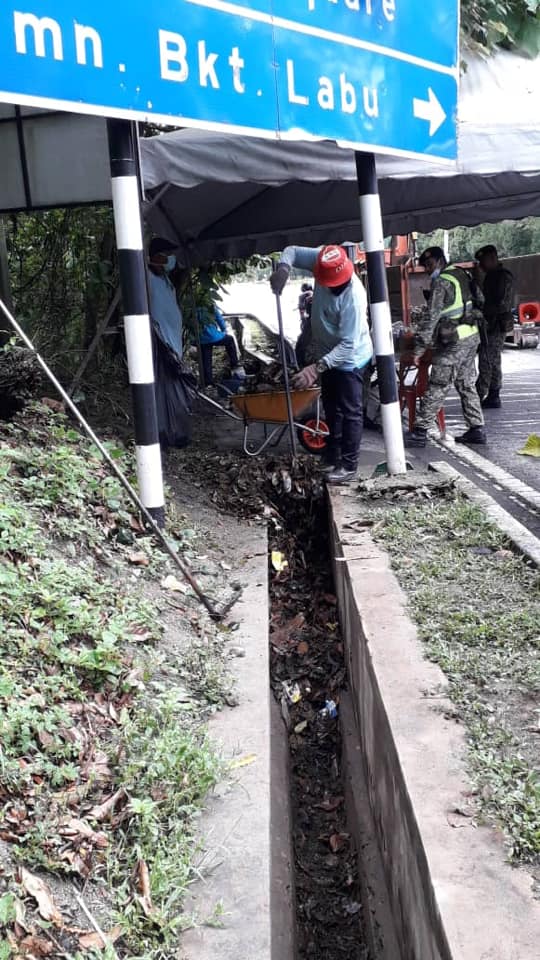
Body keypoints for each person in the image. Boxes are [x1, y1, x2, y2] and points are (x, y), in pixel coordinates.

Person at [271, 245, 372, 484]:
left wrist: (315, 368)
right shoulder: (321, 260)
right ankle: (331, 456)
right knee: (330, 407)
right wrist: (284, 268)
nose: (334, 288)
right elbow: (291, 250)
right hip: (327, 350)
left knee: (350, 412)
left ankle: (348, 465)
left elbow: (348, 345)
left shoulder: (353, 299)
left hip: (351, 359)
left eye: (337, 284)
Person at [406, 246, 486, 447]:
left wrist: (419, 349)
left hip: (454, 342)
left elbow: (431, 317)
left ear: (440, 261)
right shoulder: (462, 273)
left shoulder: (441, 282)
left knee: (438, 384)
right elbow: (481, 299)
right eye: (424, 266)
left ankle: (420, 432)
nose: (427, 269)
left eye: (429, 264)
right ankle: (477, 429)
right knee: (466, 383)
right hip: (471, 335)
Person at [475, 244, 514, 408]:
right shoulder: (492, 275)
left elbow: (496, 302)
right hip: (492, 323)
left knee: (486, 360)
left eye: (483, 261)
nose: (481, 266)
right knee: (494, 360)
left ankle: (477, 396)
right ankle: (493, 395)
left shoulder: (500, 276)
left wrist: (480, 309)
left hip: (495, 323)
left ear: (492, 259)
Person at [147, 238, 183, 357]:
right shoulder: (147, 277)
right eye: (169, 254)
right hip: (162, 345)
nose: (172, 258)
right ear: (157, 256)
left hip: (174, 344)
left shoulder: (165, 279)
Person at [198, 304, 246, 386]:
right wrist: (224, 329)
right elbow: (219, 319)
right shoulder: (209, 305)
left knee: (206, 360)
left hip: (200, 339)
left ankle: (208, 382)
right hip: (213, 336)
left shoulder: (191, 307)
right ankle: (234, 363)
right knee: (230, 340)